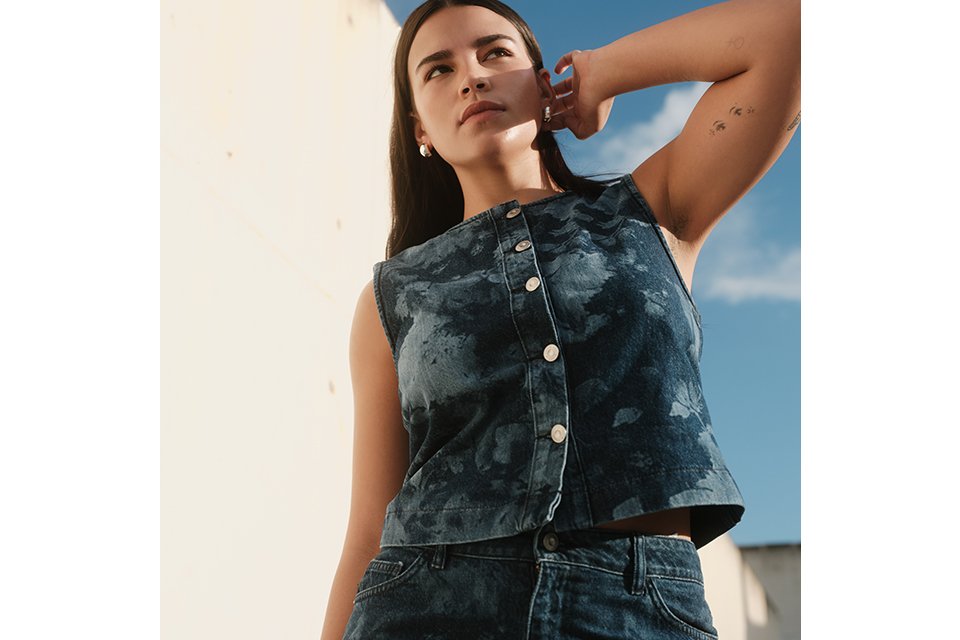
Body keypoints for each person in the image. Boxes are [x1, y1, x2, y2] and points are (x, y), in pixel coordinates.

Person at [321, 0, 799, 637]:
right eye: (438, 70)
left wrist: (603, 70)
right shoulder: (392, 295)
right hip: (425, 608)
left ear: (543, 83)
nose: (472, 77)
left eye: (495, 53)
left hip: (637, 608)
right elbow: (367, 530)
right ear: (419, 129)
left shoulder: (652, 211)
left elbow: (792, 35)